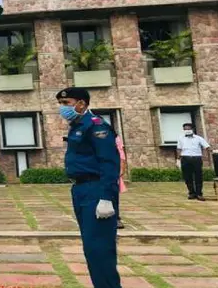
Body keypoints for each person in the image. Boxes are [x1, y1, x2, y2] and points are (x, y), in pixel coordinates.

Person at [57, 87, 122, 288]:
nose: (62, 109)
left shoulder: (96, 126)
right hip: (80, 189)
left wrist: (106, 197)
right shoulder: (77, 125)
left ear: (81, 104)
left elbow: (110, 163)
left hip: (96, 189)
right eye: (61, 104)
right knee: (91, 248)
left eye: (66, 104)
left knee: (99, 248)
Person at [176, 123, 210, 201]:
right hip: (185, 158)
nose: (187, 130)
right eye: (185, 129)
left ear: (192, 129)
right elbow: (179, 149)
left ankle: (199, 194)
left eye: (188, 129)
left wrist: (214, 151)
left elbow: (207, 147)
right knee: (187, 176)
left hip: (196, 158)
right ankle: (191, 193)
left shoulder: (198, 138)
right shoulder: (181, 138)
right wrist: (178, 159)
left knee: (198, 176)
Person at [115, 134, 127, 229]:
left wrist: (122, 167)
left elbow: (121, 153)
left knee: (113, 195)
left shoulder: (113, 136)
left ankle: (116, 218)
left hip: (111, 169)